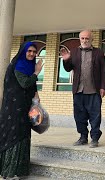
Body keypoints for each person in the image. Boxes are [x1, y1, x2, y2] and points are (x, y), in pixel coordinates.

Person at [0, 42, 43, 179]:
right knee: (15, 135)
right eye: (29, 51)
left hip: (24, 106)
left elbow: (31, 84)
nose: (31, 54)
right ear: (23, 51)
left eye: (34, 51)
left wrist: (36, 93)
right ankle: (9, 171)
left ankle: (19, 170)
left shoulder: (28, 65)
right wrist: (37, 72)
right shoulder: (19, 64)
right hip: (14, 108)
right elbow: (24, 83)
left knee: (23, 134)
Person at [60, 30, 105, 148]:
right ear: (79, 39)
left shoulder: (99, 53)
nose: (85, 40)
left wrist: (103, 87)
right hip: (78, 90)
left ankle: (95, 138)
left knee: (95, 116)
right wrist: (66, 60)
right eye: (82, 38)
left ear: (92, 39)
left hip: (94, 90)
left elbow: (103, 71)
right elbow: (68, 68)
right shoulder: (74, 52)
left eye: (87, 38)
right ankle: (83, 137)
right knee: (79, 116)